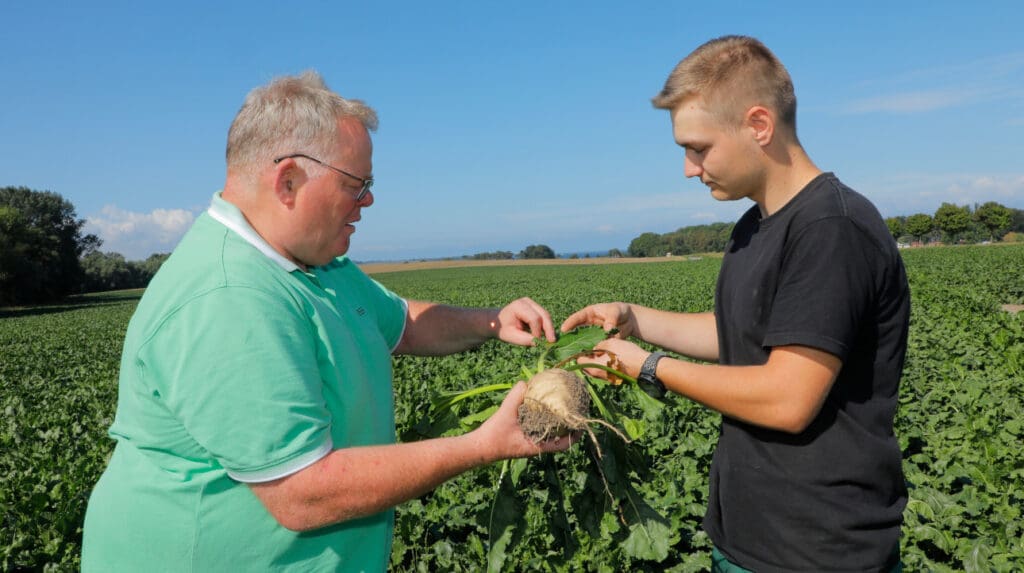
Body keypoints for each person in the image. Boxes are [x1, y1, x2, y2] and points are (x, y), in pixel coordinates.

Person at [81, 71, 572, 572]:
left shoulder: (316, 262)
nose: (368, 201)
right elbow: (303, 492)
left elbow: (402, 323)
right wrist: (482, 446)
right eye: (355, 185)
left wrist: (491, 321)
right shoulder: (228, 295)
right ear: (288, 180)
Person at [562, 36, 909, 572]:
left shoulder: (832, 229)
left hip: (818, 550)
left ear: (759, 126)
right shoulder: (756, 225)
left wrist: (648, 367)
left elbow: (787, 399)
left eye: (697, 147)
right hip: (752, 539)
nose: (688, 168)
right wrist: (635, 319)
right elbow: (743, 333)